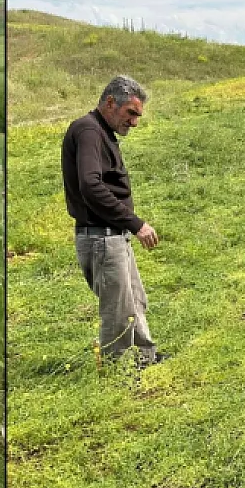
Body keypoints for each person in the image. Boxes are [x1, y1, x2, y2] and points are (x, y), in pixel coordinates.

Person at [61, 75, 166, 368]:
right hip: (101, 237)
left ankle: (145, 358)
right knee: (118, 309)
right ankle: (117, 370)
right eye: (131, 113)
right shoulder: (88, 131)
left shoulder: (100, 132)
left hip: (112, 235)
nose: (134, 122)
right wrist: (136, 223)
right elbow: (90, 186)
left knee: (134, 300)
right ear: (110, 102)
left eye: (138, 116)